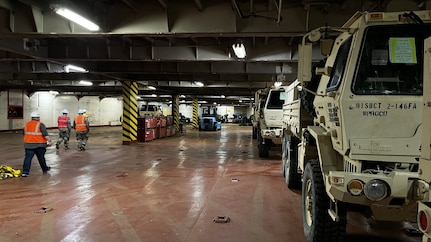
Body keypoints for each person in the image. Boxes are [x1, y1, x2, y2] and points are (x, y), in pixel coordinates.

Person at [22, 111, 52, 177]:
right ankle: (44, 169)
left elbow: (24, 134)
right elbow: (45, 134)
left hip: (28, 144)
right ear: (38, 117)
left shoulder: (26, 124)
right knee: (41, 158)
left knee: (28, 158)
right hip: (39, 145)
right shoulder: (40, 124)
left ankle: (25, 172)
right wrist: (49, 141)